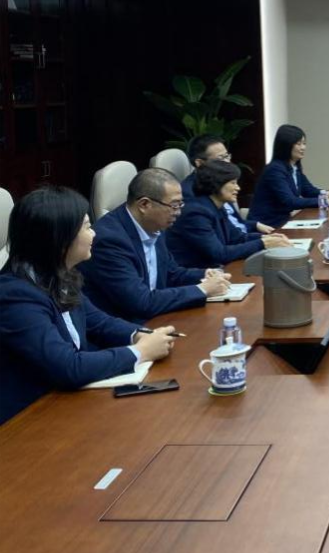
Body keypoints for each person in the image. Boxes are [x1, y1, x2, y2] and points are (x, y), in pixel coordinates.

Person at [0, 187, 176, 426]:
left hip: (67, 402)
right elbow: (67, 366)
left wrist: (141, 335)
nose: (94, 233)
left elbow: (98, 322)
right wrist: (140, 352)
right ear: (60, 239)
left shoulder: (60, 273)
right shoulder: (15, 296)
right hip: (27, 420)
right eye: (86, 227)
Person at [81, 167, 230, 321]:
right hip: (127, 326)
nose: (178, 212)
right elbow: (141, 302)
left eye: (180, 204)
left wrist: (206, 274)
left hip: (157, 316)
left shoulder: (154, 223)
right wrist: (202, 289)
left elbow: (171, 273)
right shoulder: (109, 241)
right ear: (144, 205)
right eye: (174, 205)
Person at [167, 159, 293, 268]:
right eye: (233, 183)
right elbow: (219, 254)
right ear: (216, 183)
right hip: (197, 275)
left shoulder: (217, 206)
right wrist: (263, 244)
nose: (238, 188)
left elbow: (236, 238)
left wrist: (266, 238)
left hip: (217, 271)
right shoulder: (196, 213)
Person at [247, 123, 329, 228]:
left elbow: (307, 190)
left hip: (283, 223)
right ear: (285, 145)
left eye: (304, 143)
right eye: (298, 144)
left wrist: (325, 193)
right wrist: (325, 201)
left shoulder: (294, 166)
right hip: (267, 226)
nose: (303, 148)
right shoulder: (275, 170)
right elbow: (290, 201)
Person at [182, 134, 276, 235]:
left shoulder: (222, 181)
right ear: (200, 163)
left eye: (227, 156)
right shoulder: (190, 194)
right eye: (221, 158)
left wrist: (255, 225)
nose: (228, 162)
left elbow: (233, 221)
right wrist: (262, 241)